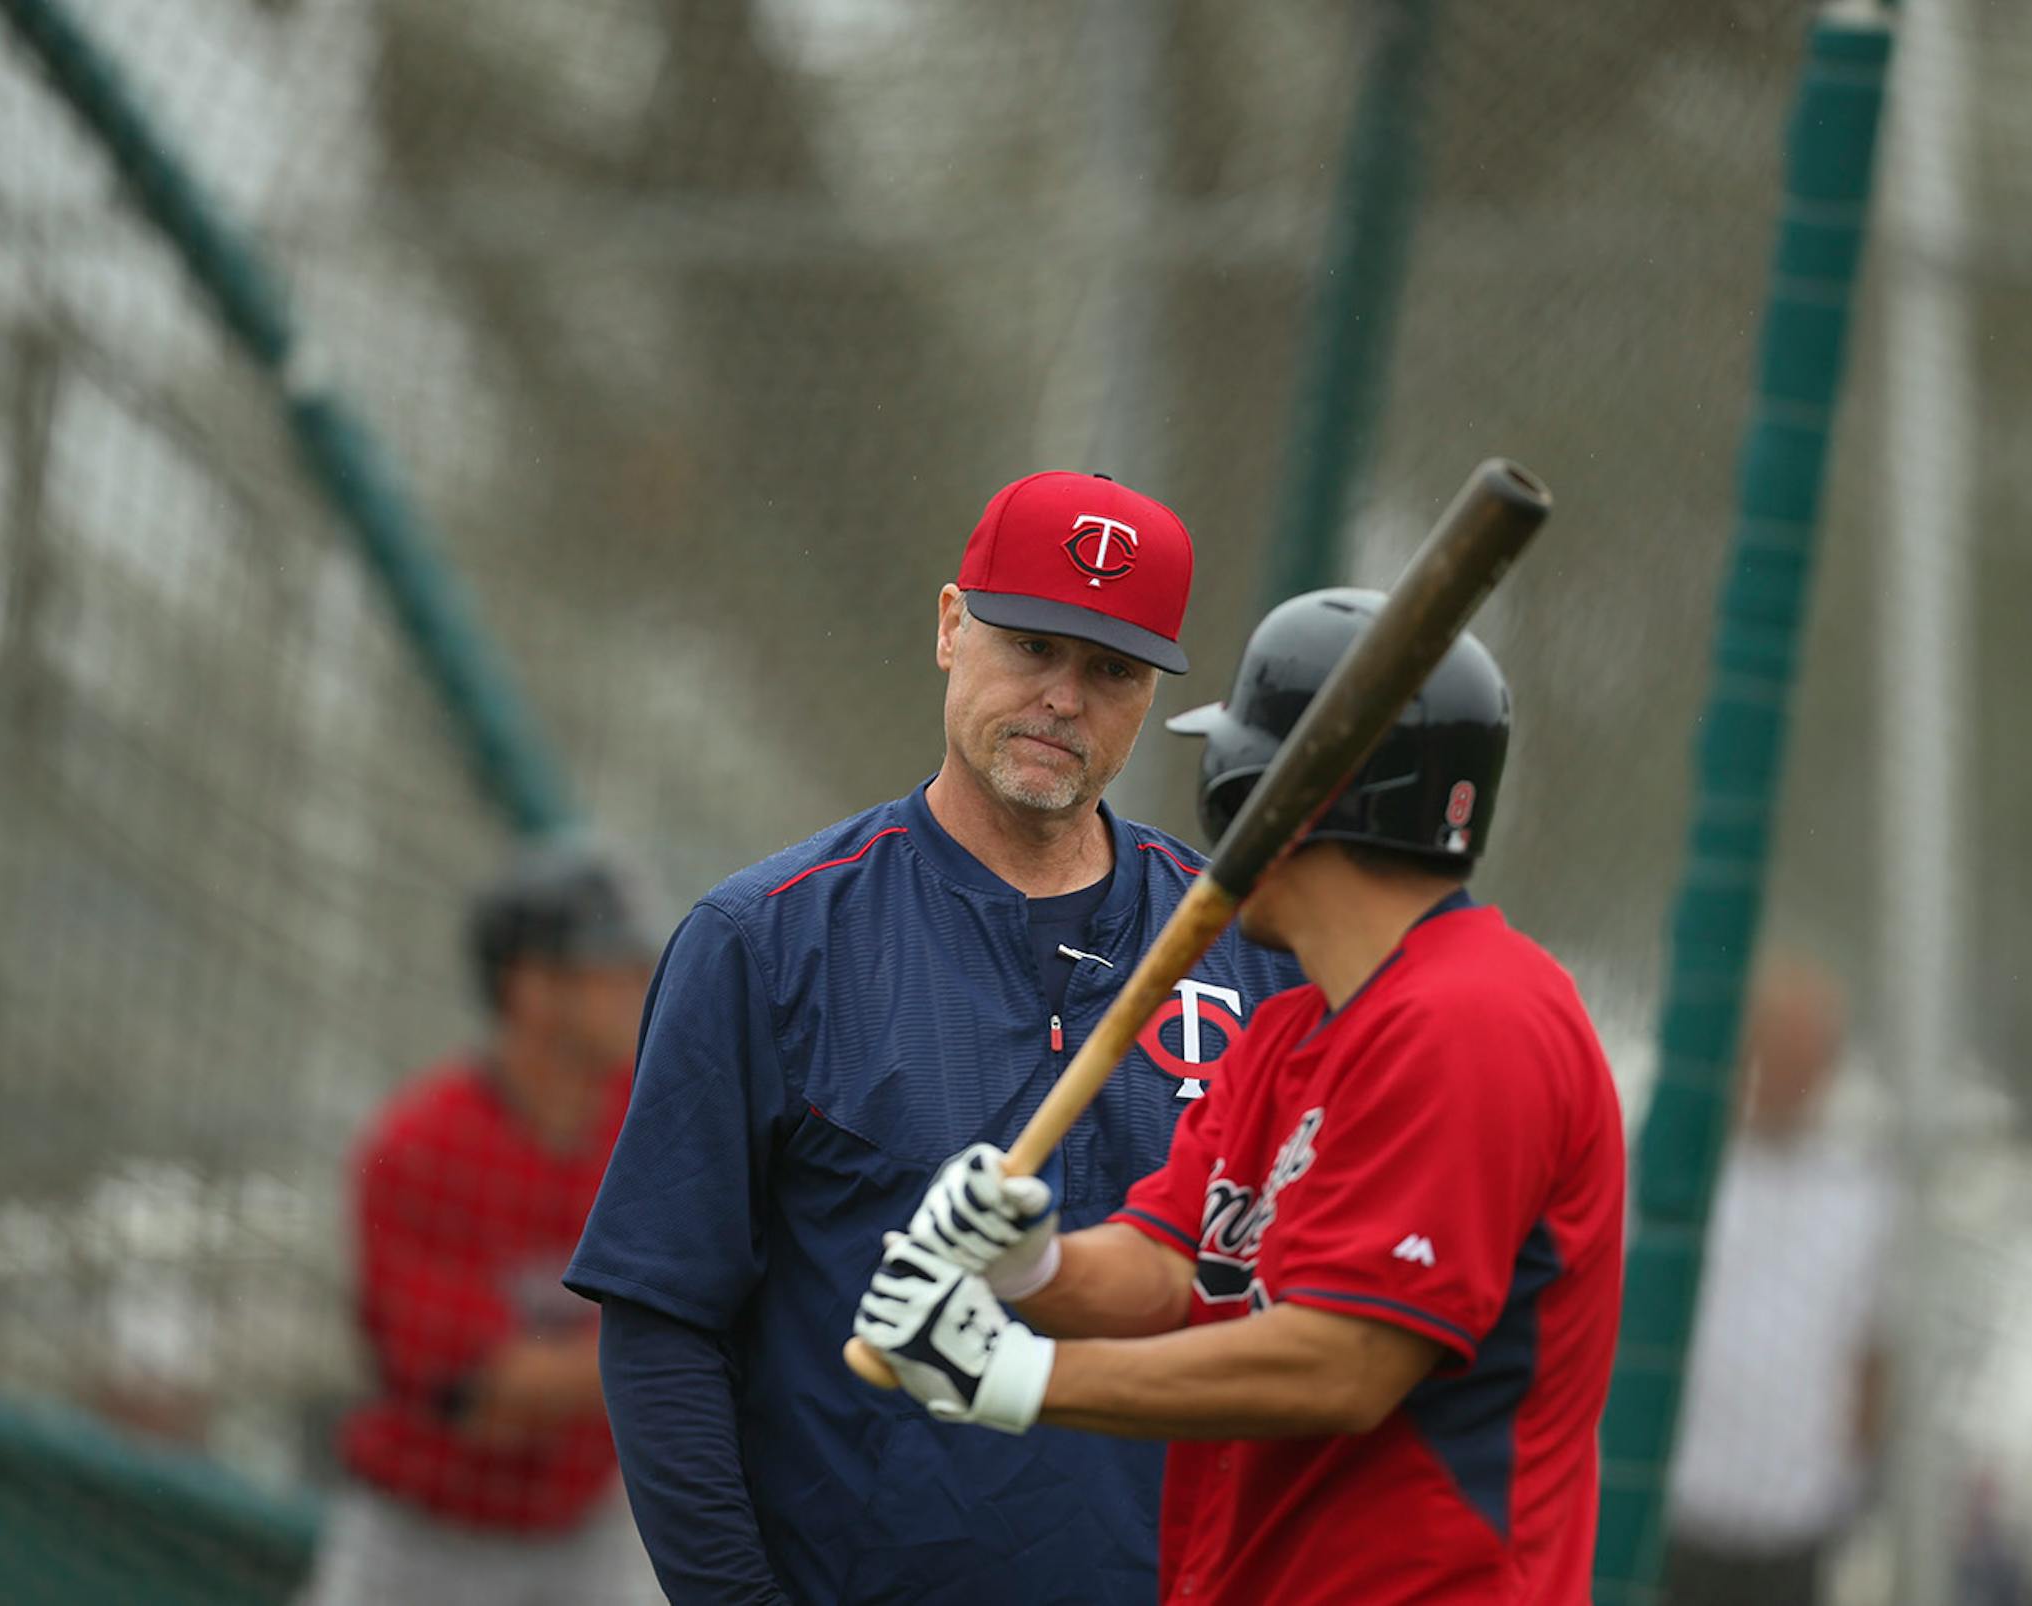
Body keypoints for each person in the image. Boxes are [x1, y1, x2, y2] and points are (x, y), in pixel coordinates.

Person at [563, 470, 1302, 1604]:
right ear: (952, 625)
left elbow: (1314, 1324)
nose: (1064, 698)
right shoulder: (766, 939)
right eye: (1033, 645)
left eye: (1110, 669)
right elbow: (663, 1329)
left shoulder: (1254, 949)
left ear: (1152, 693)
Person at [854, 590, 1628, 1606]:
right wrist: (1032, 1264)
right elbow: (1178, 1265)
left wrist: (1013, 1374)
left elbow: (1344, 1362)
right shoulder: (1294, 1028)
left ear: (1288, 793)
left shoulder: (1472, 1018)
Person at [298, 844, 661, 1606]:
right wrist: (696, 1340)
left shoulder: (660, 1117)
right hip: (427, 1544)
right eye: (612, 965)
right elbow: (481, 1399)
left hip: (595, 1526)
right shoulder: (422, 1147)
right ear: (533, 988)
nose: (640, 985)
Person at [1661, 955, 1897, 1606]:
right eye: (1775, 1050)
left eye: (1808, 1057)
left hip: (1792, 1524)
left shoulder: (1862, 1199)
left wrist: (1852, 1484)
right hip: (1676, 1507)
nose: (1789, 1075)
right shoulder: (1670, 1177)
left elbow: (1874, 1356)